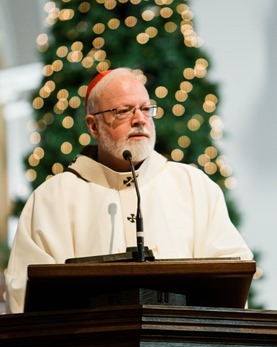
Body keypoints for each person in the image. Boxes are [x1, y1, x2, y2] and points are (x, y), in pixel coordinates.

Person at [5, 67, 253, 313]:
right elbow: (25, 291)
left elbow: (232, 275)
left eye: (146, 109)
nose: (140, 119)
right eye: (124, 111)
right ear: (93, 126)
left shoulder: (194, 187)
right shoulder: (50, 200)